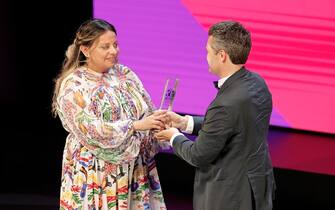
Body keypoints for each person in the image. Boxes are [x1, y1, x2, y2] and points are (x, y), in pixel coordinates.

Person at [155, 21, 275, 210]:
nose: (206, 56)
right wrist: (184, 122)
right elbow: (232, 125)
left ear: (222, 56)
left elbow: (198, 155)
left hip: (230, 197)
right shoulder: (257, 83)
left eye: (208, 51)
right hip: (256, 188)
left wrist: (173, 136)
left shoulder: (225, 104)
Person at [52, 18, 168, 210]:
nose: (114, 51)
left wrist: (159, 120)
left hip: (133, 169)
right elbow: (90, 129)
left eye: (115, 45)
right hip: (96, 172)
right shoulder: (74, 85)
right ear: (86, 50)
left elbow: (148, 109)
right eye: (105, 47)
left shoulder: (125, 74)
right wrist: (135, 126)